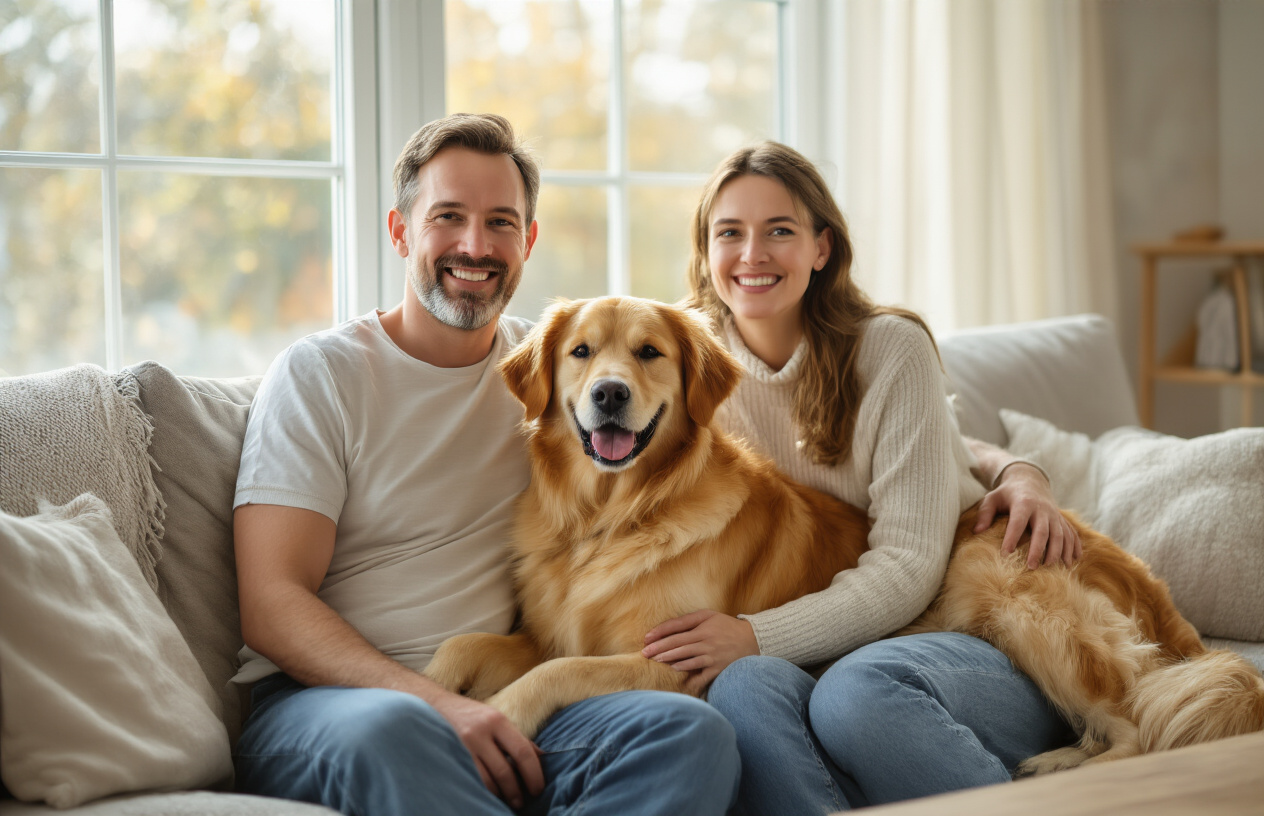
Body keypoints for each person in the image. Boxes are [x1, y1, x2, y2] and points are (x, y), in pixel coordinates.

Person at [230, 113, 740, 816]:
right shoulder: (322, 376)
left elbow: (688, 436)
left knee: (689, 732)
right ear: (400, 230)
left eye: (501, 222)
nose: (476, 245)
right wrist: (434, 703)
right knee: (395, 731)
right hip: (337, 705)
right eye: (448, 217)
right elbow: (271, 605)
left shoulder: (563, 366)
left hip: (505, 692)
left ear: (528, 241)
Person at [640, 141, 1079, 814]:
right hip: (830, 645)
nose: (752, 255)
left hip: (955, 630)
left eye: (779, 231)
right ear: (705, 252)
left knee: (856, 693)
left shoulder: (890, 349)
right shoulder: (685, 363)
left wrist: (756, 634)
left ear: (822, 247)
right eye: (729, 233)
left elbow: (908, 563)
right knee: (738, 691)